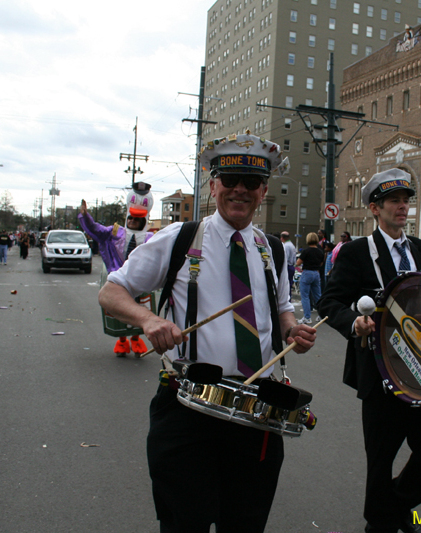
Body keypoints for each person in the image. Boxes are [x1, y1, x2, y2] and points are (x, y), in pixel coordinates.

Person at [98, 132, 317, 533]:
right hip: (188, 407)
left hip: (257, 411)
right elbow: (111, 292)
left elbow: (282, 308)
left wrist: (292, 331)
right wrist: (149, 320)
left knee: (245, 524)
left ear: (264, 190)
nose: (239, 190)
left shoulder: (273, 250)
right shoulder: (179, 238)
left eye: (250, 183)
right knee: (185, 524)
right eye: (229, 180)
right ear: (213, 184)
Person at [318, 168, 421, 533]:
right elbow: (329, 301)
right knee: (381, 458)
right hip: (382, 371)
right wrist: (353, 323)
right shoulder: (357, 252)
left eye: (406, 201)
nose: (403, 208)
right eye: (394, 201)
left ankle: (395, 506)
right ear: (375, 209)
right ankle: (380, 524)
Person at [78, 183, 156, 357]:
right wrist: (85, 216)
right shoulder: (115, 233)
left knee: (139, 310)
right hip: (119, 279)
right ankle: (121, 341)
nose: (132, 221)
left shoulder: (151, 238)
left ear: (144, 220)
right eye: (131, 218)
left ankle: (135, 339)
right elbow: (95, 229)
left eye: (137, 219)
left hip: (140, 281)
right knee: (119, 310)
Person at [295, 232, 324, 324]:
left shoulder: (306, 251)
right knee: (318, 296)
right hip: (316, 273)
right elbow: (321, 263)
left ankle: (307, 317)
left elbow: (298, 263)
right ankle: (321, 315)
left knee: (305, 296)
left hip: (307, 272)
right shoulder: (320, 251)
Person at [280, 231, 297, 298]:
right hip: (291, 266)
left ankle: (286, 298)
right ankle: (289, 298)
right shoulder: (292, 245)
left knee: (285, 285)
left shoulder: (286, 246)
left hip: (287, 267)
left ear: (282, 238)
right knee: (289, 284)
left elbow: (285, 258)